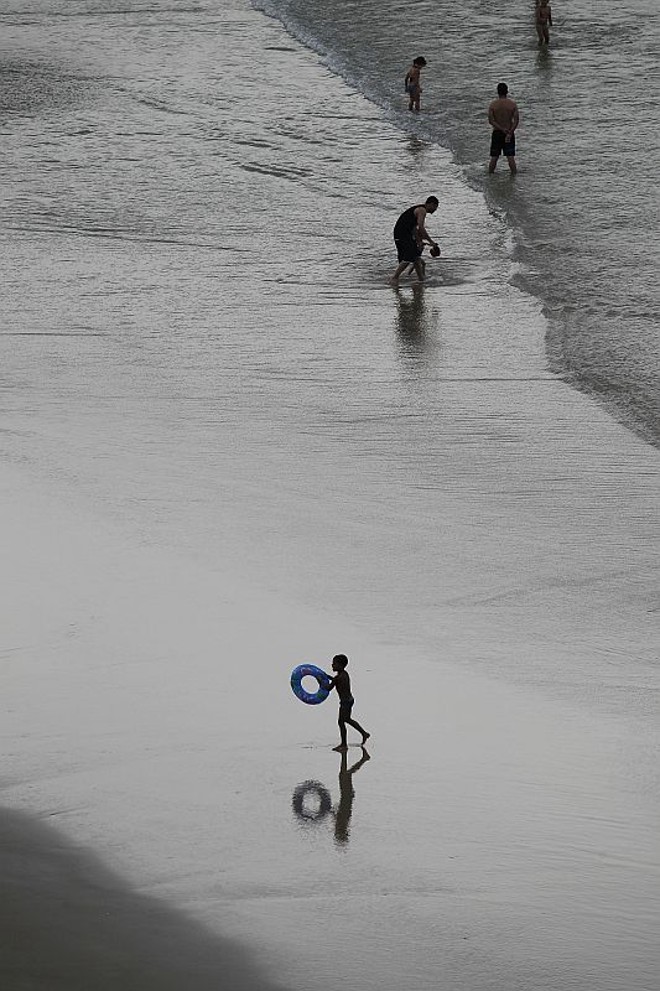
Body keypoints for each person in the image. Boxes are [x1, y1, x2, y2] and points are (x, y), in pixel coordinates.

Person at [390, 196, 439, 283]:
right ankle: (394, 278)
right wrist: (431, 242)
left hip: (405, 233)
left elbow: (414, 228)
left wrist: (418, 240)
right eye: (435, 207)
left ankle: (421, 279)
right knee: (409, 256)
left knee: (415, 255)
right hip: (402, 234)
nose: (435, 210)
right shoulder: (422, 210)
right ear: (431, 204)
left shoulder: (419, 209)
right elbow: (421, 227)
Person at [327, 654, 370, 752]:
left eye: (334, 664)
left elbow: (328, 688)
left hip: (345, 702)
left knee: (341, 722)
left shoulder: (338, 678)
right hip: (349, 700)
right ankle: (364, 733)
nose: (332, 665)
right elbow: (335, 680)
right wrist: (328, 677)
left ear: (340, 665)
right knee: (347, 719)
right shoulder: (344, 674)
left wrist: (320, 680)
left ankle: (344, 745)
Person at [488, 82, 520, 175]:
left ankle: (490, 177)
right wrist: (509, 132)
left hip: (497, 132)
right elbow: (516, 120)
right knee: (510, 157)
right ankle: (514, 177)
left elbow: (491, 121)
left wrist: (501, 129)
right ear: (507, 91)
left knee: (494, 157)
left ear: (497, 92)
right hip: (509, 132)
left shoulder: (493, 105)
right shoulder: (512, 104)